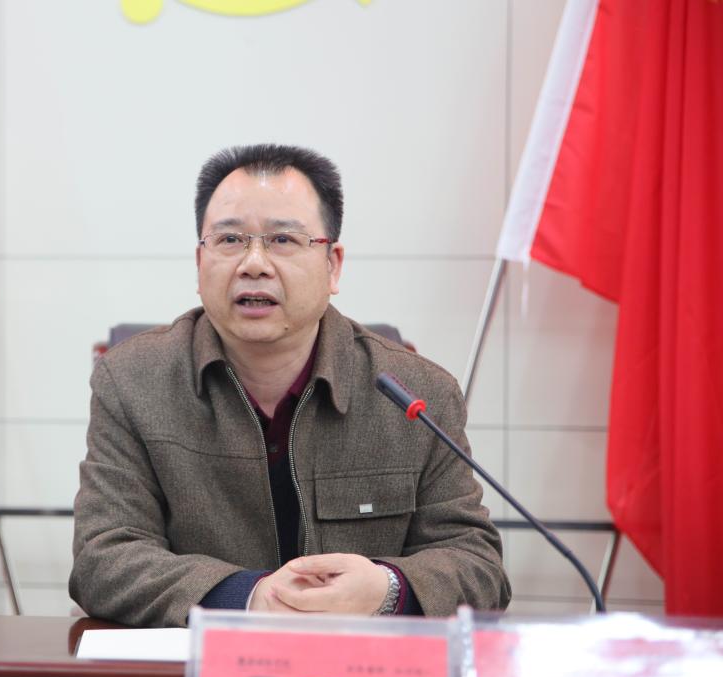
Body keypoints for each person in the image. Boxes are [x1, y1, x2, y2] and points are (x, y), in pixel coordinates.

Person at [70, 144, 511, 627]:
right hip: (202, 669)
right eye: (230, 240)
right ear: (199, 263)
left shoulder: (417, 394)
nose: (254, 264)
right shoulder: (133, 382)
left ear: (333, 265)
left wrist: (386, 589)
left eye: (283, 240)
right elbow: (103, 560)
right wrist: (249, 597)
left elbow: (477, 566)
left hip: (358, 669)